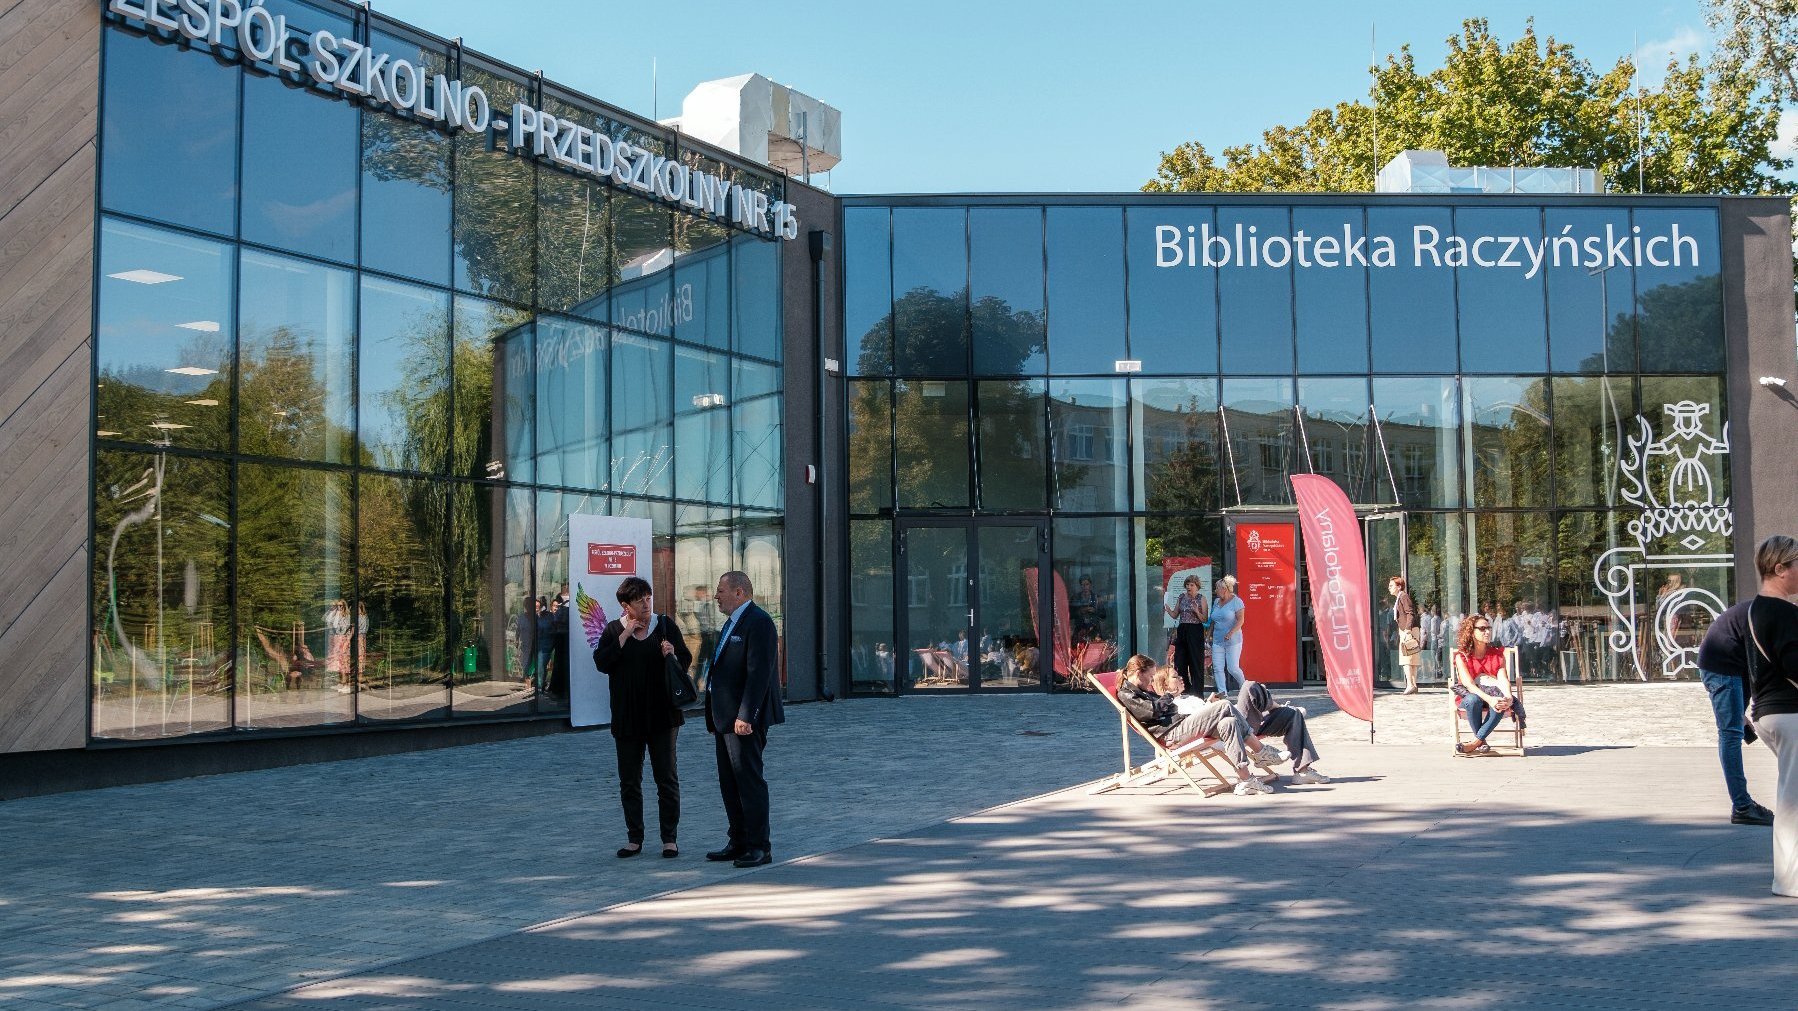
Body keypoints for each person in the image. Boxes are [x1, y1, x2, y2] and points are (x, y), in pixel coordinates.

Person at [593, 576, 692, 859]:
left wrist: (672, 653)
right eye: (640, 600)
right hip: (627, 718)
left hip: (663, 717)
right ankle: (634, 838)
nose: (647, 603)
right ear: (626, 605)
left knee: (666, 779)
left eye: (649, 598)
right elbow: (602, 663)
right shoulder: (613, 630)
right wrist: (624, 637)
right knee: (629, 781)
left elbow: (685, 661)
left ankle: (669, 839)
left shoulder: (665, 626)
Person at [704, 570, 784, 868]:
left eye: (721, 591)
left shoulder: (759, 622)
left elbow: (759, 674)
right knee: (729, 782)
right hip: (724, 719)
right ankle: (738, 840)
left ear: (739, 592)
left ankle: (759, 846)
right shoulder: (731, 624)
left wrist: (746, 714)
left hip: (743, 720)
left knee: (748, 781)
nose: (716, 596)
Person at [1114, 655, 1275, 796]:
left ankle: (1246, 780)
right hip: (1172, 733)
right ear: (1138, 674)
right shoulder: (1127, 693)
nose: (1151, 681)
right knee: (1224, 705)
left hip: (1179, 725)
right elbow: (1152, 711)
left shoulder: (1140, 690)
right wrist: (1170, 696)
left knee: (1229, 722)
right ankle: (1260, 750)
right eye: (1150, 676)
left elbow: (1161, 708)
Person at [1698, 556, 1781, 826]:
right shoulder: (1772, 615)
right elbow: (1764, 666)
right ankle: (1742, 806)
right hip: (1723, 665)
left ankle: (1743, 805)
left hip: (1731, 664)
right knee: (1730, 733)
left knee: (1734, 728)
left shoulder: (1772, 612)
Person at [1741, 535, 1798, 895]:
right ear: (1780, 569)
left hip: (1767, 713)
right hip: (1790, 713)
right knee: (1792, 799)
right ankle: (1789, 881)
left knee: (1791, 794)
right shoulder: (1786, 613)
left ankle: (1788, 879)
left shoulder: (1752, 610)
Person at [1451, 613, 1526, 755]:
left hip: (1493, 695)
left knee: (1501, 701)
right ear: (1471, 632)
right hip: (1471, 698)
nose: (1487, 631)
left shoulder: (1497, 655)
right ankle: (1482, 741)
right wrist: (1490, 699)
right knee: (1473, 700)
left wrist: (1509, 697)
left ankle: (1475, 742)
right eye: (1482, 628)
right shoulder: (1462, 656)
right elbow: (1469, 685)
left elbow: (1503, 679)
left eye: (1488, 628)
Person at [1234, 679, 1330, 784]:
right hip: (1229, 724)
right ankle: (1272, 705)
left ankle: (1303, 772)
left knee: (1293, 713)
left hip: (1246, 718)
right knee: (1249, 686)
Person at [1169, 576, 1209, 697]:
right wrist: (1167, 610)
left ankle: (1197, 693)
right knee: (1180, 661)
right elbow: (1175, 614)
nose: (1188, 587)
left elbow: (1204, 619)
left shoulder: (1201, 598)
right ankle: (1185, 690)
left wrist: (1197, 611)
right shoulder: (1181, 597)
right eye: (1187, 585)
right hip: (1182, 630)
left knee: (1195, 662)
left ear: (1197, 586)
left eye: (1191, 585)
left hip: (1195, 630)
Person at [1210, 575, 1246, 699]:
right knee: (1217, 667)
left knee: (1232, 668)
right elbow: (1213, 620)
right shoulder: (1216, 602)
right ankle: (1223, 693)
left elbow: (1241, 621)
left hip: (1233, 640)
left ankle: (1245, 687)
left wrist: (1230, 633)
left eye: (1217, 588)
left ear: (1224, 589)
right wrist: (1208, 635)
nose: (1215, 590)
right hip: (1217, 640)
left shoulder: (1237, 601)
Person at [1390, 576, 1420, 694]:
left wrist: (1408, 629)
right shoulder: (1400, 597)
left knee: (1407, 657)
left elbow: (1410, 613)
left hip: (1409, 629)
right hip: (1407, 629)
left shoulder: (1403, 596)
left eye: (1391, 586)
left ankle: (1410, 685)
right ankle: (1413, 684)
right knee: (1411, 657)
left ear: (1399, 587)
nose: (1389, 588)